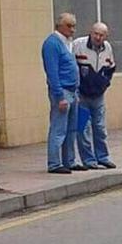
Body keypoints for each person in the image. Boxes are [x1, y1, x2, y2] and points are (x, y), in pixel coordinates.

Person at [73, 22, 117, 170]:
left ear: (106, 36)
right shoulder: (78, 45)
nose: (98, 37)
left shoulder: (108, 48)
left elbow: (111, 68)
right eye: (95, 33)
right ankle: (88, 160)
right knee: (83, 129)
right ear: (90, 33)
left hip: (98, 96)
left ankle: (103, 157)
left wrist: (105, 84)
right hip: (82, 95)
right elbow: (71, 67)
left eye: (101, 35)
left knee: (100, 128)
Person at [42, 13, 81, 174]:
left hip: (73, 91)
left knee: (71, 129)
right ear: (60, 26)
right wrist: (59, 96)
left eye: (74, 26)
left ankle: (69, 160)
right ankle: (54, 163)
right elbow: (52, 72)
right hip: (62, 92)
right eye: (69, 26)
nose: (73, 30)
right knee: (59, 129)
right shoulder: (52, 44)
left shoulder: (68, 43)